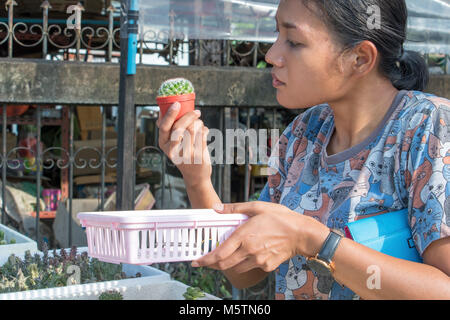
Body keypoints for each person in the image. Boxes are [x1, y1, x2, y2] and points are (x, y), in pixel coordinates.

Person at [156, 0, 450, 300]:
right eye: (277, 35)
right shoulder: (304, 133)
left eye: (294, 42)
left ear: (360, 58)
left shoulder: (431, 128)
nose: (271, 55)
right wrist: (197, 179)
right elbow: (244, 271)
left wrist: (311, 239)